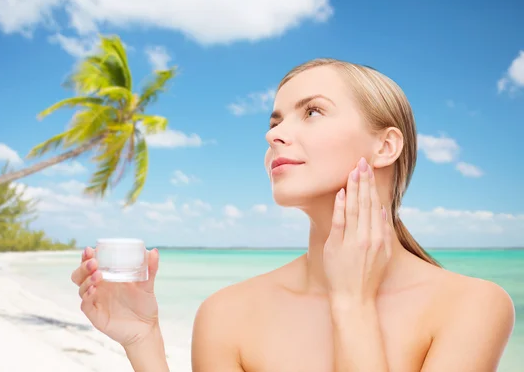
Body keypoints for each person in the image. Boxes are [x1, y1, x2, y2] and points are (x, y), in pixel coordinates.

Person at [71, 58, 516, 371]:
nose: (276, 135)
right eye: (275, 121)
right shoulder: (227, 313)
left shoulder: (473, 307)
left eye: (313, 112)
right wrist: (142, 340)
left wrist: (352, 303)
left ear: (386, 146)